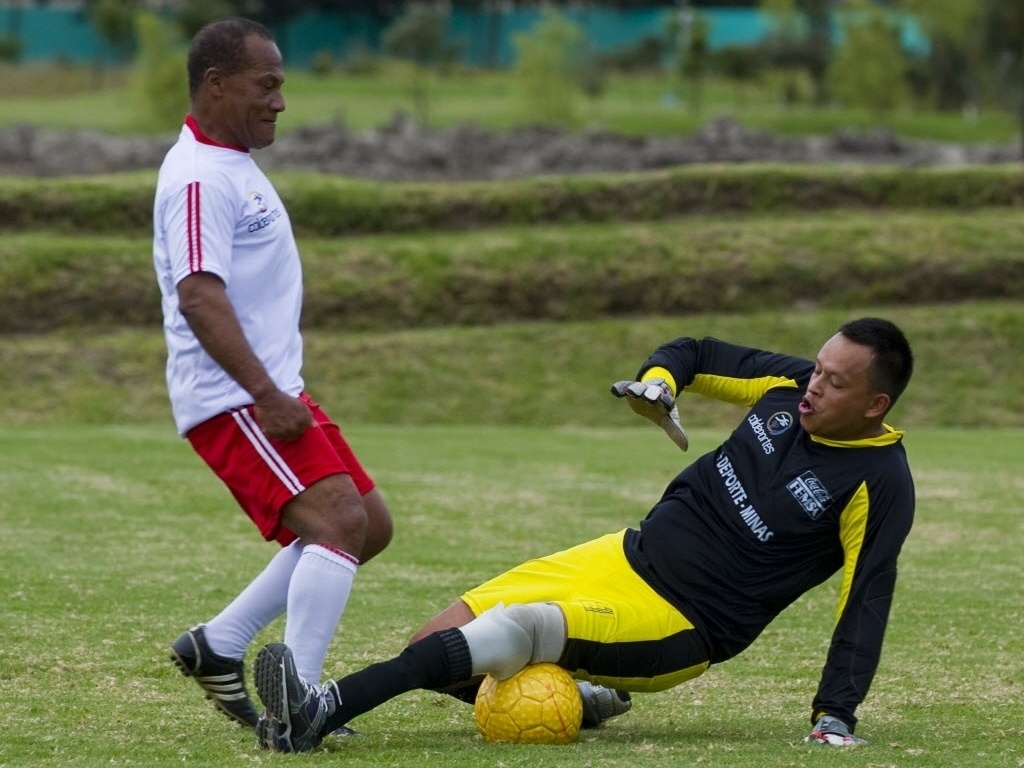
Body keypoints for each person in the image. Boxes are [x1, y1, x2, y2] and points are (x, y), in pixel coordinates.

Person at [252, 316, 915, 753]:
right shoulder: (789, 385)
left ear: (875, 404)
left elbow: (865, 600)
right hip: (622, 555)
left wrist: (834, 716)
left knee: (518, 629)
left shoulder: (878, 481)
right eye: (818, 367)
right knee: (432, 642)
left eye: (834, 381)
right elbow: (698, 352)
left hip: (681, 622)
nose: (813, 385)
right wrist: (658, 384)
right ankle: (586, 703)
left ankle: (321, 708)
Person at [153, 18, 394, 729]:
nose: (280, 102)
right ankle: (300, 706)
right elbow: (198, 293)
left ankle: (219, 645)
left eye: (281, 86)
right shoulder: (198, 177)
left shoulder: (228, 162)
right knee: (338, 521)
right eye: (267, 85)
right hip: (236, 397)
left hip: (268, 389)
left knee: (367, 526)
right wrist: (264, 393)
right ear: (216, 85)